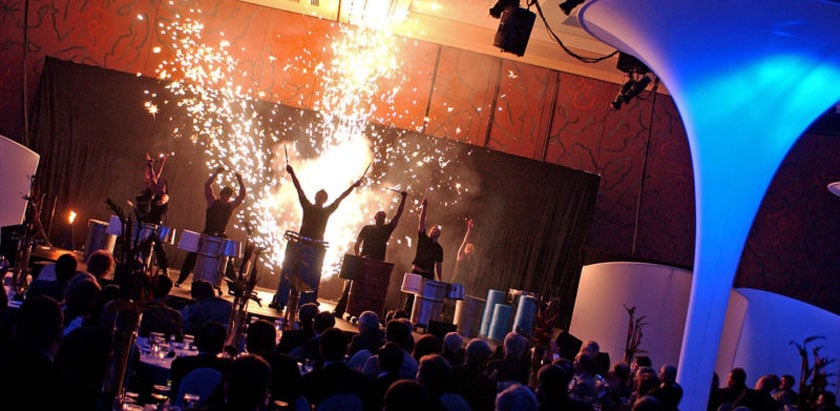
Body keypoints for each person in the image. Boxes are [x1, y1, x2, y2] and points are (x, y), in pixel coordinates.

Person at [270, 164, 361, 310]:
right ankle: (281, 300)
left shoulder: (327, 211)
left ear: (324, 199)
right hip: (300, 244)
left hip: (316, 248)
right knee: (289, 273)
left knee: (312, 277)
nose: (320, 198)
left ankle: (307, 305)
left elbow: (341, 198)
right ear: (315, 196)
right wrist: (292, 173)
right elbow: (298, 188)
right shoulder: (307, 205)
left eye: (322, 197)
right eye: (319, 195)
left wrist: (353, 186)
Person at [334, 190, 407, 317]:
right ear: (375, 217)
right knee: (353, 285)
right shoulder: (367, 228)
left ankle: (374, 315)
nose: (381, 218)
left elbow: (398, 215)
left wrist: (403, 199)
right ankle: (339, 310)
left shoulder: (386, 229)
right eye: (379, 216)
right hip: (364, 261)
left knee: (374, 290)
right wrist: (358, 258)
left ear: (384, 219)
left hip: (377, 263)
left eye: (383, 217)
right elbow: (357, 243)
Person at [176, 166, 246, 288]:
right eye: (224, 195)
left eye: (228, 196)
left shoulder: (230, 206)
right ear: (221, 194)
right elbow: (207, 186)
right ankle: (180, 280)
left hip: (220, 236)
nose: (226, 198)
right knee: (192, 257)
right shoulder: (213, 202)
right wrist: (216, 173)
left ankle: (235, 286)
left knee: (227, 261)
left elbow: (242, 196)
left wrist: (240, 180)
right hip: (207, 233)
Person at [403, 196, 443, 313]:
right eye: (434, 229)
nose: (435, 231)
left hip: (429, 276)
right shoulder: (423, 239)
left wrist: (440, 280)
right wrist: (424, 207)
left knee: (423, 301)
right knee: (410, 299)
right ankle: (404, 317)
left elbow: (438, 265)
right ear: (431, 231)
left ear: (439, 234)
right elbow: (421, 223)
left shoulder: (439, 248)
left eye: (438, 230)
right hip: (417, 272)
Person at [135, 152, 170, 275]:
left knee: (159, 248)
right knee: (142, 245)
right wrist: (151, 166)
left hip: (156, 227)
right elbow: (152, 178)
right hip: (147, 223)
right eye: (158, 184)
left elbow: (163, 201)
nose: (159, 186)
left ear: (165, 187)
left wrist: (159, 203)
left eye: (162, 185)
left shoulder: (164, 196)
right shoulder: (154, 191)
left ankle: (165, 269)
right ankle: (140, 265)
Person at [453, 218, 476, 283]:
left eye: (471, 248)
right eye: (468, 247)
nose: (469, 248)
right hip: (457, 281)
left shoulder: (472, 261)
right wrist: (469, 230)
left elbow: (472, 272)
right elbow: (465, 241)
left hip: (466, 283)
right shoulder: (461, 255)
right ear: (465, 249)